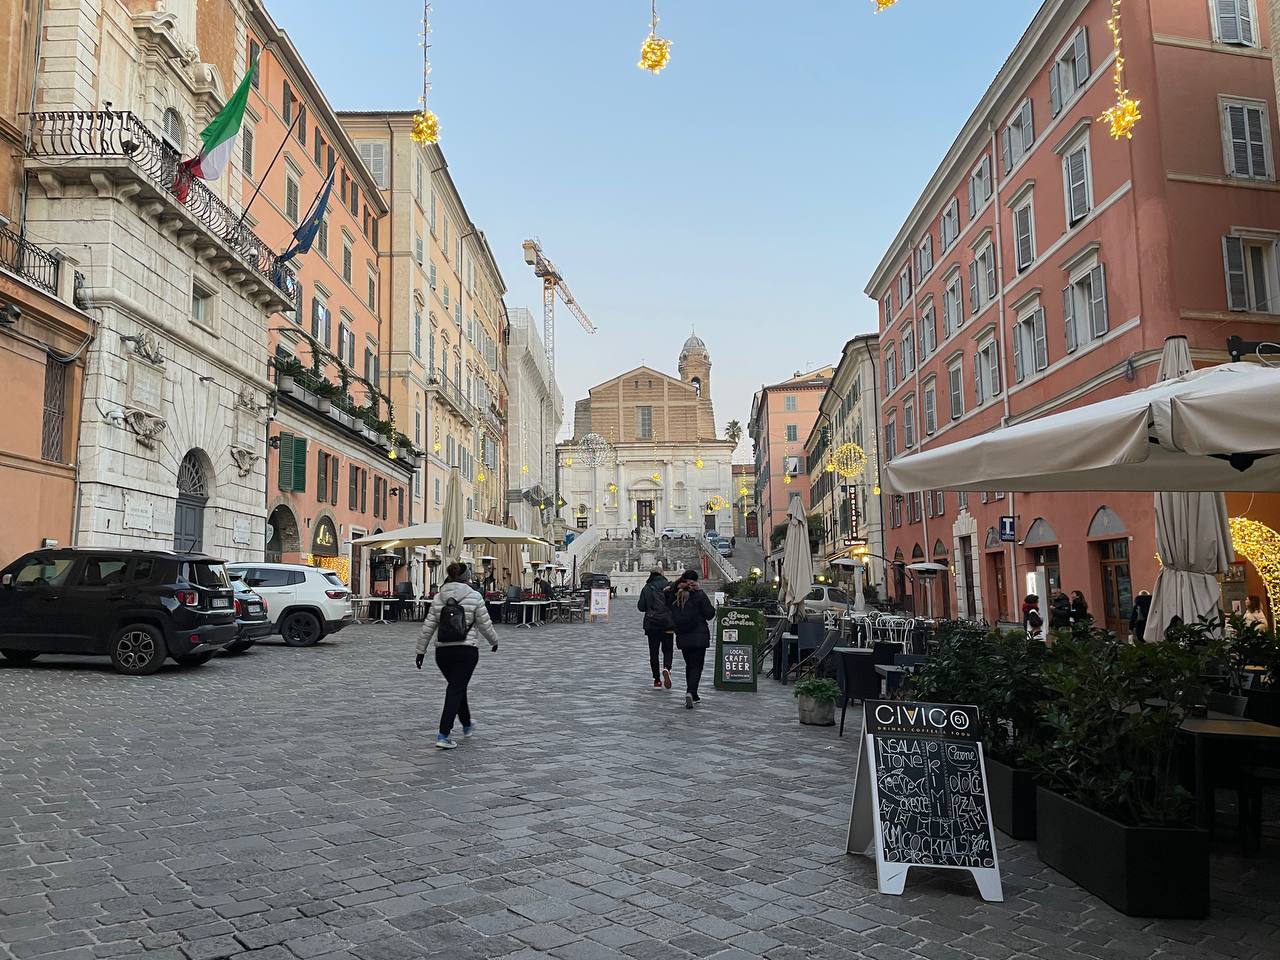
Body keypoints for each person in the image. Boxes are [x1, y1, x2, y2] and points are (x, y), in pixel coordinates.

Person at [415, 561, 499, 750]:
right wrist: (494, 641)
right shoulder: (475, 596)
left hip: (442, 652)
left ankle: (467, 723)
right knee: (455, 689)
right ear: (467, 577)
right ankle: (443, 733)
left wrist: (420, 651)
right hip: (466, 651)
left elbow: (427, 627)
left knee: (457, 687)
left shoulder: (438, 597)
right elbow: (485, 624)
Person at [666, 569, 715, 709]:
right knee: (697, 665)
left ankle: (693, 693)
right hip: (699, 636)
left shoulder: (674, 595)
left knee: (690, 665)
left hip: (683, 636)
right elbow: (709, 614)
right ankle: (691, 692)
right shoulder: (699, 595)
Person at [637, 568, 674, 690]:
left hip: (652, 624)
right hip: (667, 623)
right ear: (662, 574)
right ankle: (667, 668)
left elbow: (641, 607)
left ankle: (657, 680)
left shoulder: (647, 588)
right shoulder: (669, 586)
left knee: (654, 652)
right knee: (668, 649)